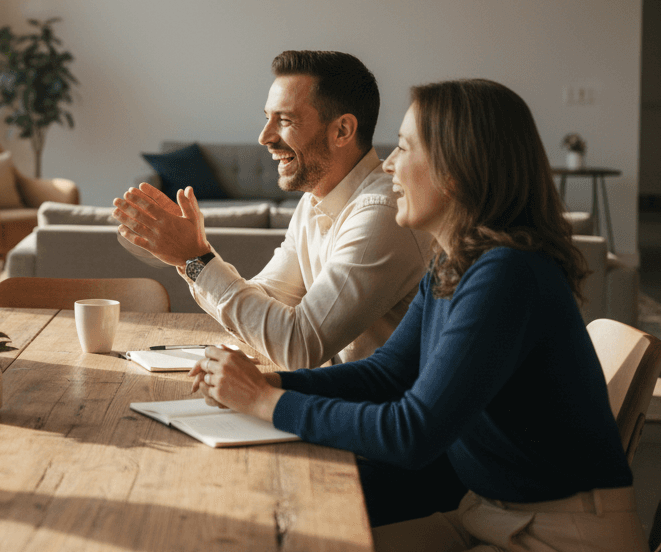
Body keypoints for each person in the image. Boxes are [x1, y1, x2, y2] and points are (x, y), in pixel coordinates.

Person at [195, 79, 645, 552]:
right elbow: (386, 374)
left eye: (405, 148)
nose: (388, 164)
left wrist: (263, 402)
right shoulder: (454, 263)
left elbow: (412, 432)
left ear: (456, 171)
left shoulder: (509, 274)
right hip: (489, 514)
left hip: (558, 536)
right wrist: (262, 385)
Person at [113, 50, 432, 370]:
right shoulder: (313, 201)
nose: (264, 137)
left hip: (379, 413)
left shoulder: (384, 213)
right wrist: (192, 259)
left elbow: (297, 345)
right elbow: (264, 304)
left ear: (342, 131)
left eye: (285, 120)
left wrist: (196, 258)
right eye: (267, 117)